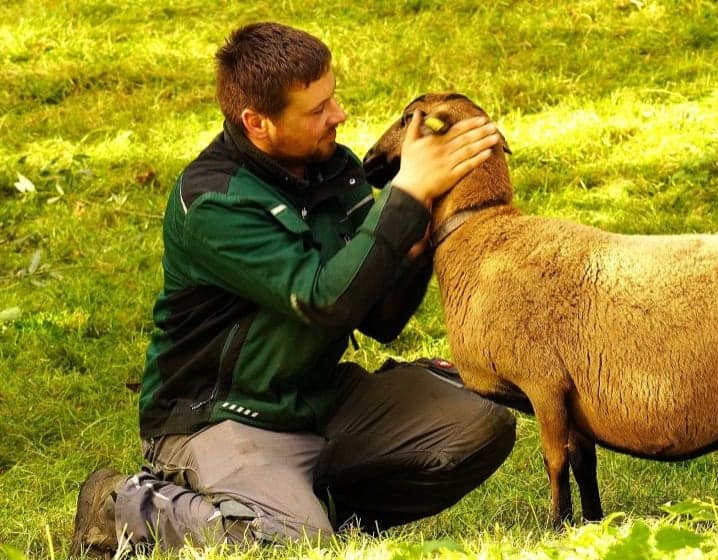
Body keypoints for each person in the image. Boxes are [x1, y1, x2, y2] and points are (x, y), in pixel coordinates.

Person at [71, 21, 515, 557]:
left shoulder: (333, 171)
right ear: (257, 123)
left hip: (318, 400)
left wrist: (416, 244)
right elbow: (326, 299)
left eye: (332, 98)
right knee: (293, 548)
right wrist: (404, 197)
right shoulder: (215, 202)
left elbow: (377, 318)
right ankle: (124, 507)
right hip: (222, 421)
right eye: (317, 110)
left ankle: (295, 507)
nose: (339, 116)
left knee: (477, 427)